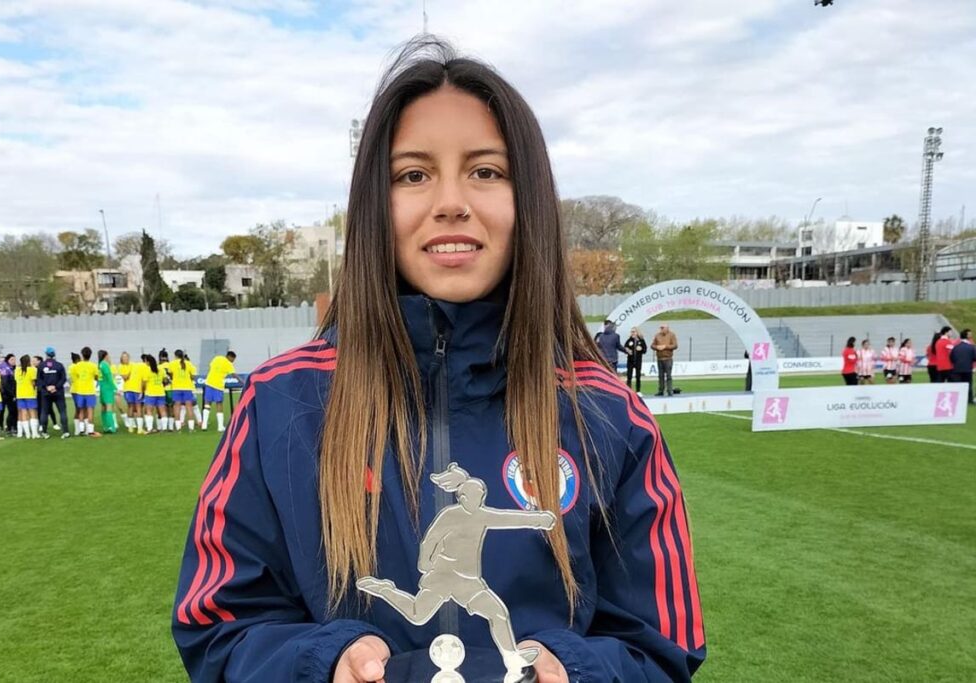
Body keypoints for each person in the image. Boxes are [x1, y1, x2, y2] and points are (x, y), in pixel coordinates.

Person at [172, 40, 705, 683]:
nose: (451, 201)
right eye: (413, 175)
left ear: (527, 200)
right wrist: (321, 663)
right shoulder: (280, 403)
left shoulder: (608, 415)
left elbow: (662, 647)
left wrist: (573, 670)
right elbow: (219, 627)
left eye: (486, 171)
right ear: (375, 204)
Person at [37, 347, 70, 439]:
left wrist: (47, 387)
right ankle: (66, 431)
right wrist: (56, 387)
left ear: (46, 354)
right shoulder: (59, 365)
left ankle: (44, 432)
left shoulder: (41, 365)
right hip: (58, 392)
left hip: (46, 393)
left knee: (44, 412)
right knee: (62, 411)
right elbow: (63, 378)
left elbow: (39, 379)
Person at [201, 350, 238, 432]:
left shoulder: (217, 358)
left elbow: (210, 366)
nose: (233, 362)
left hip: (209, 382)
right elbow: (234, 374)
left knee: (207, 403)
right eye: (233, 360)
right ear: (230, 357)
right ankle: (220, 426)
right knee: (219, 404)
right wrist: (243, 382)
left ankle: (204, 425)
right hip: (218, 385)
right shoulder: (229, 364)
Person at [169, 349, 198, 432]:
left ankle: (178, 427)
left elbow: (171, 374)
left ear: (175, 356)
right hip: (187, 388)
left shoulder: (172, 364)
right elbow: (193, 376)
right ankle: (191, 428)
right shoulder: (188, 364)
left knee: (177, 406)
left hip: (176, 387)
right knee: (189, 407)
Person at [118, 351, 146, 434]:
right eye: (124, 357)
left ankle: (139, 428)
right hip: (128, 389)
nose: (125, 359)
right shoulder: (121, 367)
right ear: (121, 359)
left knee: (138, 407)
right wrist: (130, 371)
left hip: (136, 389)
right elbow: (125, 377)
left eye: (126, 357)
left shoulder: (135, 365)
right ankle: (131, 427)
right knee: (130, 406)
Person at [14, 354, 40, 438]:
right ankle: (34, 433)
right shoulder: (32, 369)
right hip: (30, 394)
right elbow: (33, 382)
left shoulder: (17, 370)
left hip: (20, 394)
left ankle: (28, 434)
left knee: (23, 413)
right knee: (32, 413)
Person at [142, 354, 168, 433]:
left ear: (148, 362)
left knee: (149, 410)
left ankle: (150, 429)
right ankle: (164, 428)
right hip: (161, 392)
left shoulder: (147, 370)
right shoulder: (161, 369)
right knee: (162, 411)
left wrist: (142, 391)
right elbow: (166, 380)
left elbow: (144, 382)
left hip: (150, 393)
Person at [948, 328, 975, 405]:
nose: (971, 335)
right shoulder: (971, 347)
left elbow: (951, 358)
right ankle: (969, 400)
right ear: (966, 335)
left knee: (958, 386)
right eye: (969, 334)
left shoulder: (956, 347)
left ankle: (957, 400)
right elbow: (974, 358)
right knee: (968, 385)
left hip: (957, 369)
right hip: (967, 369)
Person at [651, 323, 679, 396]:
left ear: (667, 328)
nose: (661, 329)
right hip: (659, 358)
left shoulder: (672, 335)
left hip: (668, 358)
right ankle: (661, 390)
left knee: (668, 375)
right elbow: (652, 345)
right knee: (660, 376)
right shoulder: (657, 335)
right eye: (661, 328)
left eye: (663, 328)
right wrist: (657, 347)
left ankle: (669, 390)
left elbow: (675, 345)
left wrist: (665, 346)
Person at [97, 350, 118, 434]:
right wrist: (115, 388)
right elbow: (109, 377)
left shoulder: (100, 364)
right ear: (106, 356)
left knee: (103, 407)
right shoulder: (105, 365)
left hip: (102, 388)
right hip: (107, 388)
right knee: (109, 407)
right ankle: (112, 427)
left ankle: (105, 426)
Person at [0, 353, 18, 436]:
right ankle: (10, 428)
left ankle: (10, 427)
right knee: (12, 411)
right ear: (7, 360)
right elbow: (5, 384)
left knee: (12, 411)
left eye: (14, 359)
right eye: (12, 360)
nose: (14, 361)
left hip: (6, 393)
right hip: (7, 394)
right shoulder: (6, 369)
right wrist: (13, 394)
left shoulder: (11, 368)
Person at [624, 326, 647, 392]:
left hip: (638, 361)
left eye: (633, 332)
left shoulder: (641, 340)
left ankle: (638, 391)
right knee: (629, 376)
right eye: (631, 332)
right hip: (630, 361)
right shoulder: (629, 340)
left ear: (637, 332)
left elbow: (645, 350)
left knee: (638, 376)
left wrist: (641, 349)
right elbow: (625, 348)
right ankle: (629, 390)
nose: (632, 333)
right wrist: (627, 350)